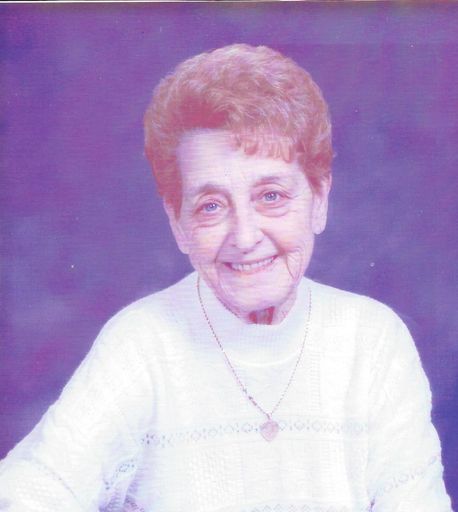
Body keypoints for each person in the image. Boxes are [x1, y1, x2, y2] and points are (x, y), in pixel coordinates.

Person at [0, 44, 452, 512]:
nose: (245, 237)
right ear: (178, 223)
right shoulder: (142, 344)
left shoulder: (373, 342)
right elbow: (29, 492)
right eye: (211, 206)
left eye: (271, 196)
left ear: (319, 199)